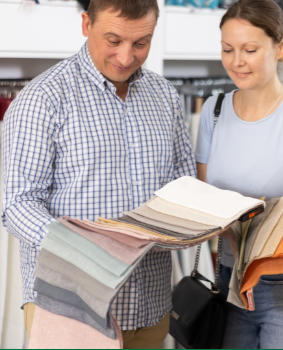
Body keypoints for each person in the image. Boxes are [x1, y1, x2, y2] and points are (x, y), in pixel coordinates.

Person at [1, 0, 195, 347]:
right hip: (71, 312)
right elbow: (17, 204)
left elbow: (183, 183)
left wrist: (198, 220)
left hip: (151, 306)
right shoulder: (42, 99)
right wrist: (85, 250)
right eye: (113, 40)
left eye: (141, 43)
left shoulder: (165, 96)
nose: (125, 57)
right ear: (86, 24)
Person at [194, 0, 283, 348]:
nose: (236, 61)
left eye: (250, 49)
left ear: (282, 44)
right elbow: (203, 196)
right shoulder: (213, 112)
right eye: (227, 49)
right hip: (232, 279)